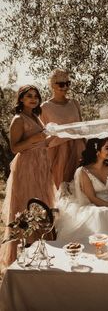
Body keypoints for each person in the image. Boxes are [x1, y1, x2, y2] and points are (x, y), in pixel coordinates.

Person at [0, 85, 55, 272]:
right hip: (27, 167)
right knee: (28, 207)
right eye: (29, 96)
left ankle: (42, 252)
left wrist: (53, 137)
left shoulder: (35, 117)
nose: (33, 99)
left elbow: (41, 141)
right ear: (21, 99)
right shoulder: (18, 119)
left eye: (36, 96)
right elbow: (15, 148)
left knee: (44, 207)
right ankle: (24, 256)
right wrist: (35, 139)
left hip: (41, 166)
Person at [55, 138, 108, 243]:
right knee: (101, 213)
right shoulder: (84, 171)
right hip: (94, 206)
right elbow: (92, 198)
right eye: (107, 148)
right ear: (97, 152)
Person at [40, 68, 85, 189]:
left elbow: (81, 127)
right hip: (58, 153)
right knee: (63, 188)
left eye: (67, 83)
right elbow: (42, 135)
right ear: (52, 85)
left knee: (81, 187)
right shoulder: (45, 107)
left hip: (78, 149)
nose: (65, 87)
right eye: (61, 84)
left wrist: (88, 150)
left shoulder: (74, 103)